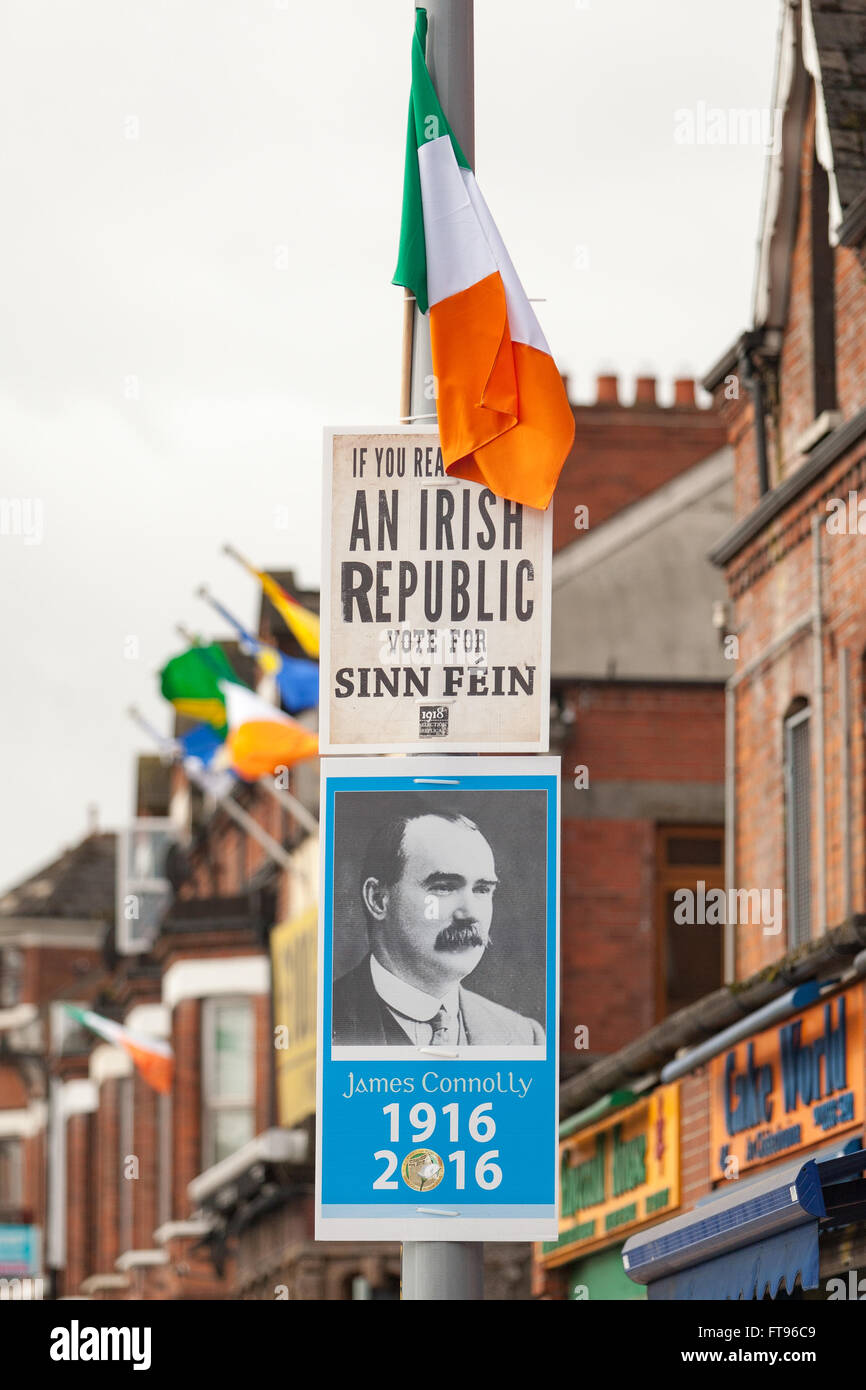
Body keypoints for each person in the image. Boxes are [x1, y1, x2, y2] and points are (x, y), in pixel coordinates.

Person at [332, 807, 544, 1046]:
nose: (470, 913)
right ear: (379, 899)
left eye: (482, 889)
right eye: (444, 887)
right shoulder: (324, 1022)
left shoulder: (524, 1037)